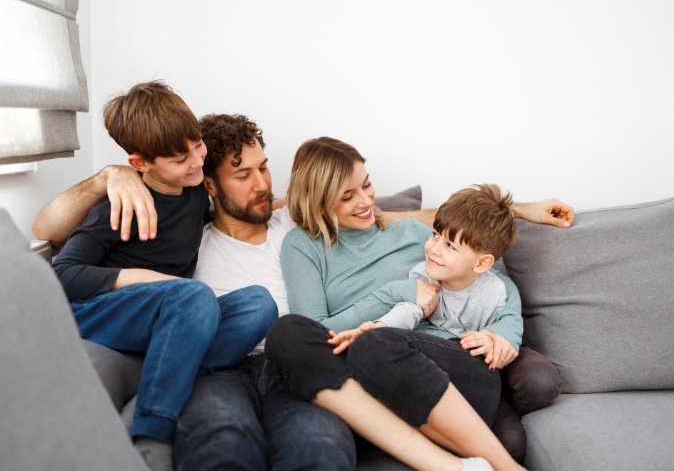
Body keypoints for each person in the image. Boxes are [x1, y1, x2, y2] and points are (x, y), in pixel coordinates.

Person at [34, 118, 573, 469]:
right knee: (223, 441)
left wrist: (520, 209)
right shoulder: (184, 235)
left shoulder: (299, 219)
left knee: (319, 451)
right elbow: (49, 228)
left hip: (308, 370)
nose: (261, 184)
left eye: (264, 167)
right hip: (230, 366)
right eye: (241, 175)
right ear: (210, 184)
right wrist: (109, 177)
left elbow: (429, 222)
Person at [265, 137, 560, 470]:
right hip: (365, 382)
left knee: (376, 343)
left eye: (366, 185)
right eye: (347, 196)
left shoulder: (408, 232)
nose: (365, 202)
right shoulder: (303, 246)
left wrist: (504, 333)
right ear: (317, 201)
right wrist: (398, 292)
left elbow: (492, 280)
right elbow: (318, 333)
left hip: (451, 372)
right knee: (286, 332)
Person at [49, 85, 277, 470]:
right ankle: (151, 434)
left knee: (260, 302)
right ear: (140, 163)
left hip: (165, 313)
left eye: (197, 147)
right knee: (194, 296)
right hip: (97, 311)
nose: (195, 162)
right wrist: (148, 279)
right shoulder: (120, 206)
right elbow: (63, 275)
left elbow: (235, 208)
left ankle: (169, 371)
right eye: (179, 159)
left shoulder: (192, 193)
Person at [330, 183, 520, 369]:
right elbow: (408, 310)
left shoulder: (496, 292)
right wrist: (378, 327)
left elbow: (509, 324)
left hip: (478, 361)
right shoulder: (423, 275)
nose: (434, 250)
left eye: (450, 246)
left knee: (536, 376)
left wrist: (494, 340)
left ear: (481, 264)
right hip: (440, 352)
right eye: (435, 235)